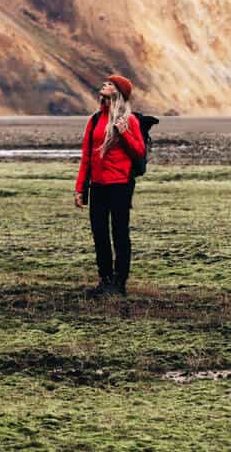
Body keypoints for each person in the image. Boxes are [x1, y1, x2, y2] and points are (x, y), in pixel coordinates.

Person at [74, 74, 145, 297]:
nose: (105, 84)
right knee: (99, 233)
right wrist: (80, 188)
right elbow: (86, 156)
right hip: (98, 185)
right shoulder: (94, 120)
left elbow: (139, 152)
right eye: (105, 82)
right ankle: (104, 280)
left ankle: (119, 283)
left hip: (120, 185)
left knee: (120, 233)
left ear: (119, 92)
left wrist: (124, 133)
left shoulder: (128, 120)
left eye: (110, 84)